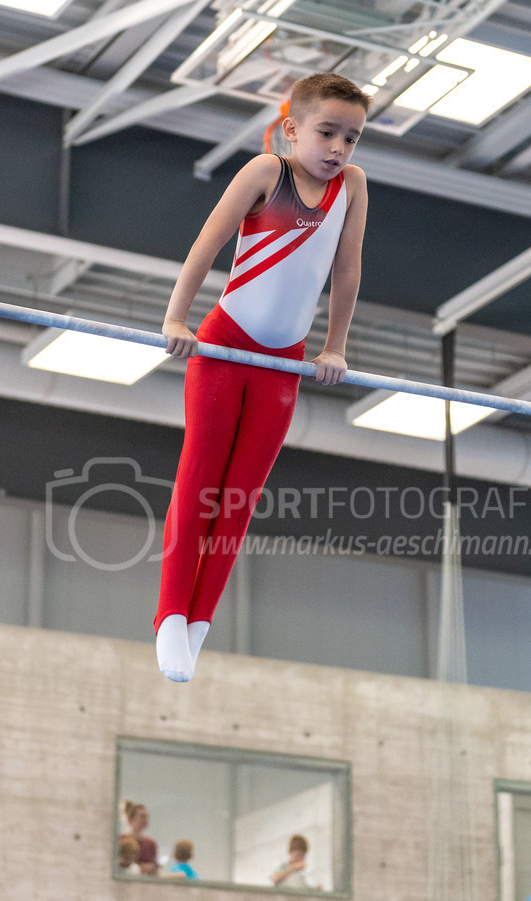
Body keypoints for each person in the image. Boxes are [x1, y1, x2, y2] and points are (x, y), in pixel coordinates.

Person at [154, 72, 371, 682]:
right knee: (201, 477)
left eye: (351, 139)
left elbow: (347, 272)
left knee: (241, 495)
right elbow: (206, 245)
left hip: (283, 363)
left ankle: (200, 622)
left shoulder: (352, 187)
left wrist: (334, 347)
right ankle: (170, 614)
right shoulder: (263, 173)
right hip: (224, 346)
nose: (338, 150)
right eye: (327, 133)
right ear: (292, 128)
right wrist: (177, 317)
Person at [119, 800, 158, 875]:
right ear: (130, 819)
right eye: (142, 816)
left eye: (147, 817)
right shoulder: (120, 840)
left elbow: (154, 869)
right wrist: (139, 868)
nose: (145, 820)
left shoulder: (151, 844)